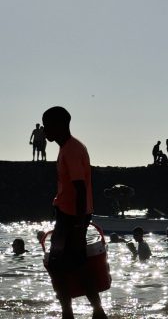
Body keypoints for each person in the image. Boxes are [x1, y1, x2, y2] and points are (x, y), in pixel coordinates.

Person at [42, 106, 107, 319]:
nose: (45, 130)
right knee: (75, 264)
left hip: (73, 218)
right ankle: (93, 311)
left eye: (48, 125)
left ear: (60, 125)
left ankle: (71, 313)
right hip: (68, 215)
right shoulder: (68, 147)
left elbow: (79, 187)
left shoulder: (71, 150)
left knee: (60, 264)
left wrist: (79, 224)